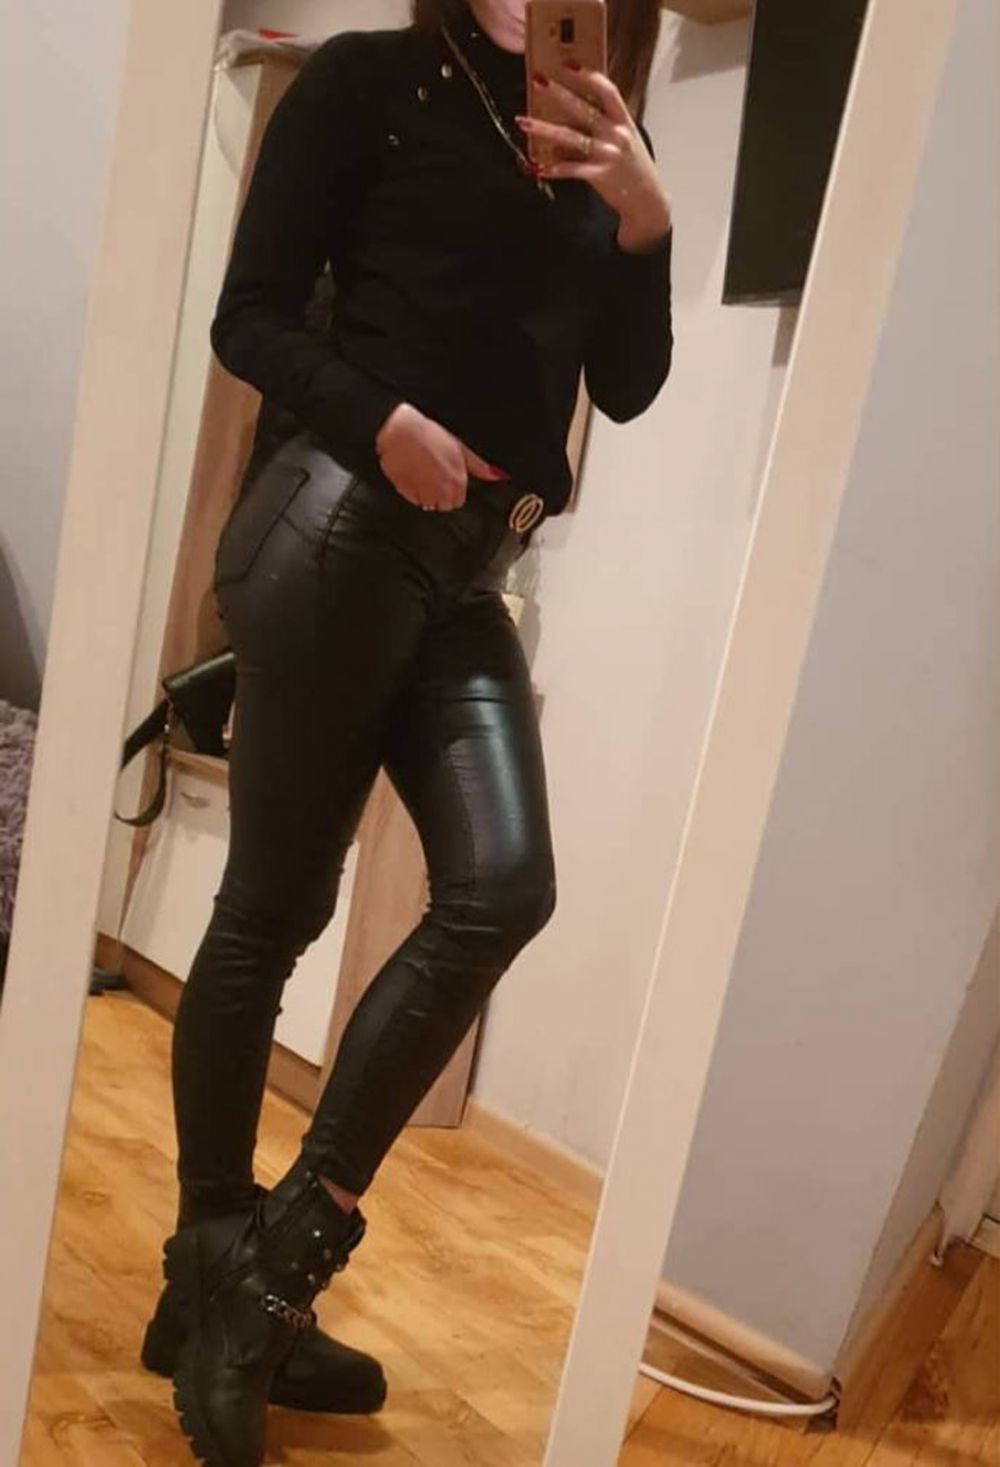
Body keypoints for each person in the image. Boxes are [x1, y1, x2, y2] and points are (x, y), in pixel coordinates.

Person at [143, 2, 673, 1463]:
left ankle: (261, 1284)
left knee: (506, 886)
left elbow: (626, 387)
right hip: (340, 527)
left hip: (470, 572)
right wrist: (381, 419)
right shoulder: (368, 82)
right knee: (273, 912)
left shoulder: (599, 128)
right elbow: (249, 315)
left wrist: (644, 221)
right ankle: (209, 1261)